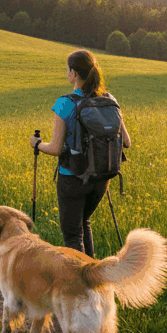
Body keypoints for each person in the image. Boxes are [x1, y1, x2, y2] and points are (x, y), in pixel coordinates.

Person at [29, 48, 130, 257]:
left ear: (73, 73)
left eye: (67, 69)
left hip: (72, 178)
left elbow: (56, 148)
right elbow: (126, 142)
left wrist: (37, 145)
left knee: (73, 235)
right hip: (102, 177)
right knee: (84, 222)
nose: (67, 73)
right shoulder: (110, 100)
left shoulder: (65, 103)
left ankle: (80, 277)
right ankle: (91, 274)